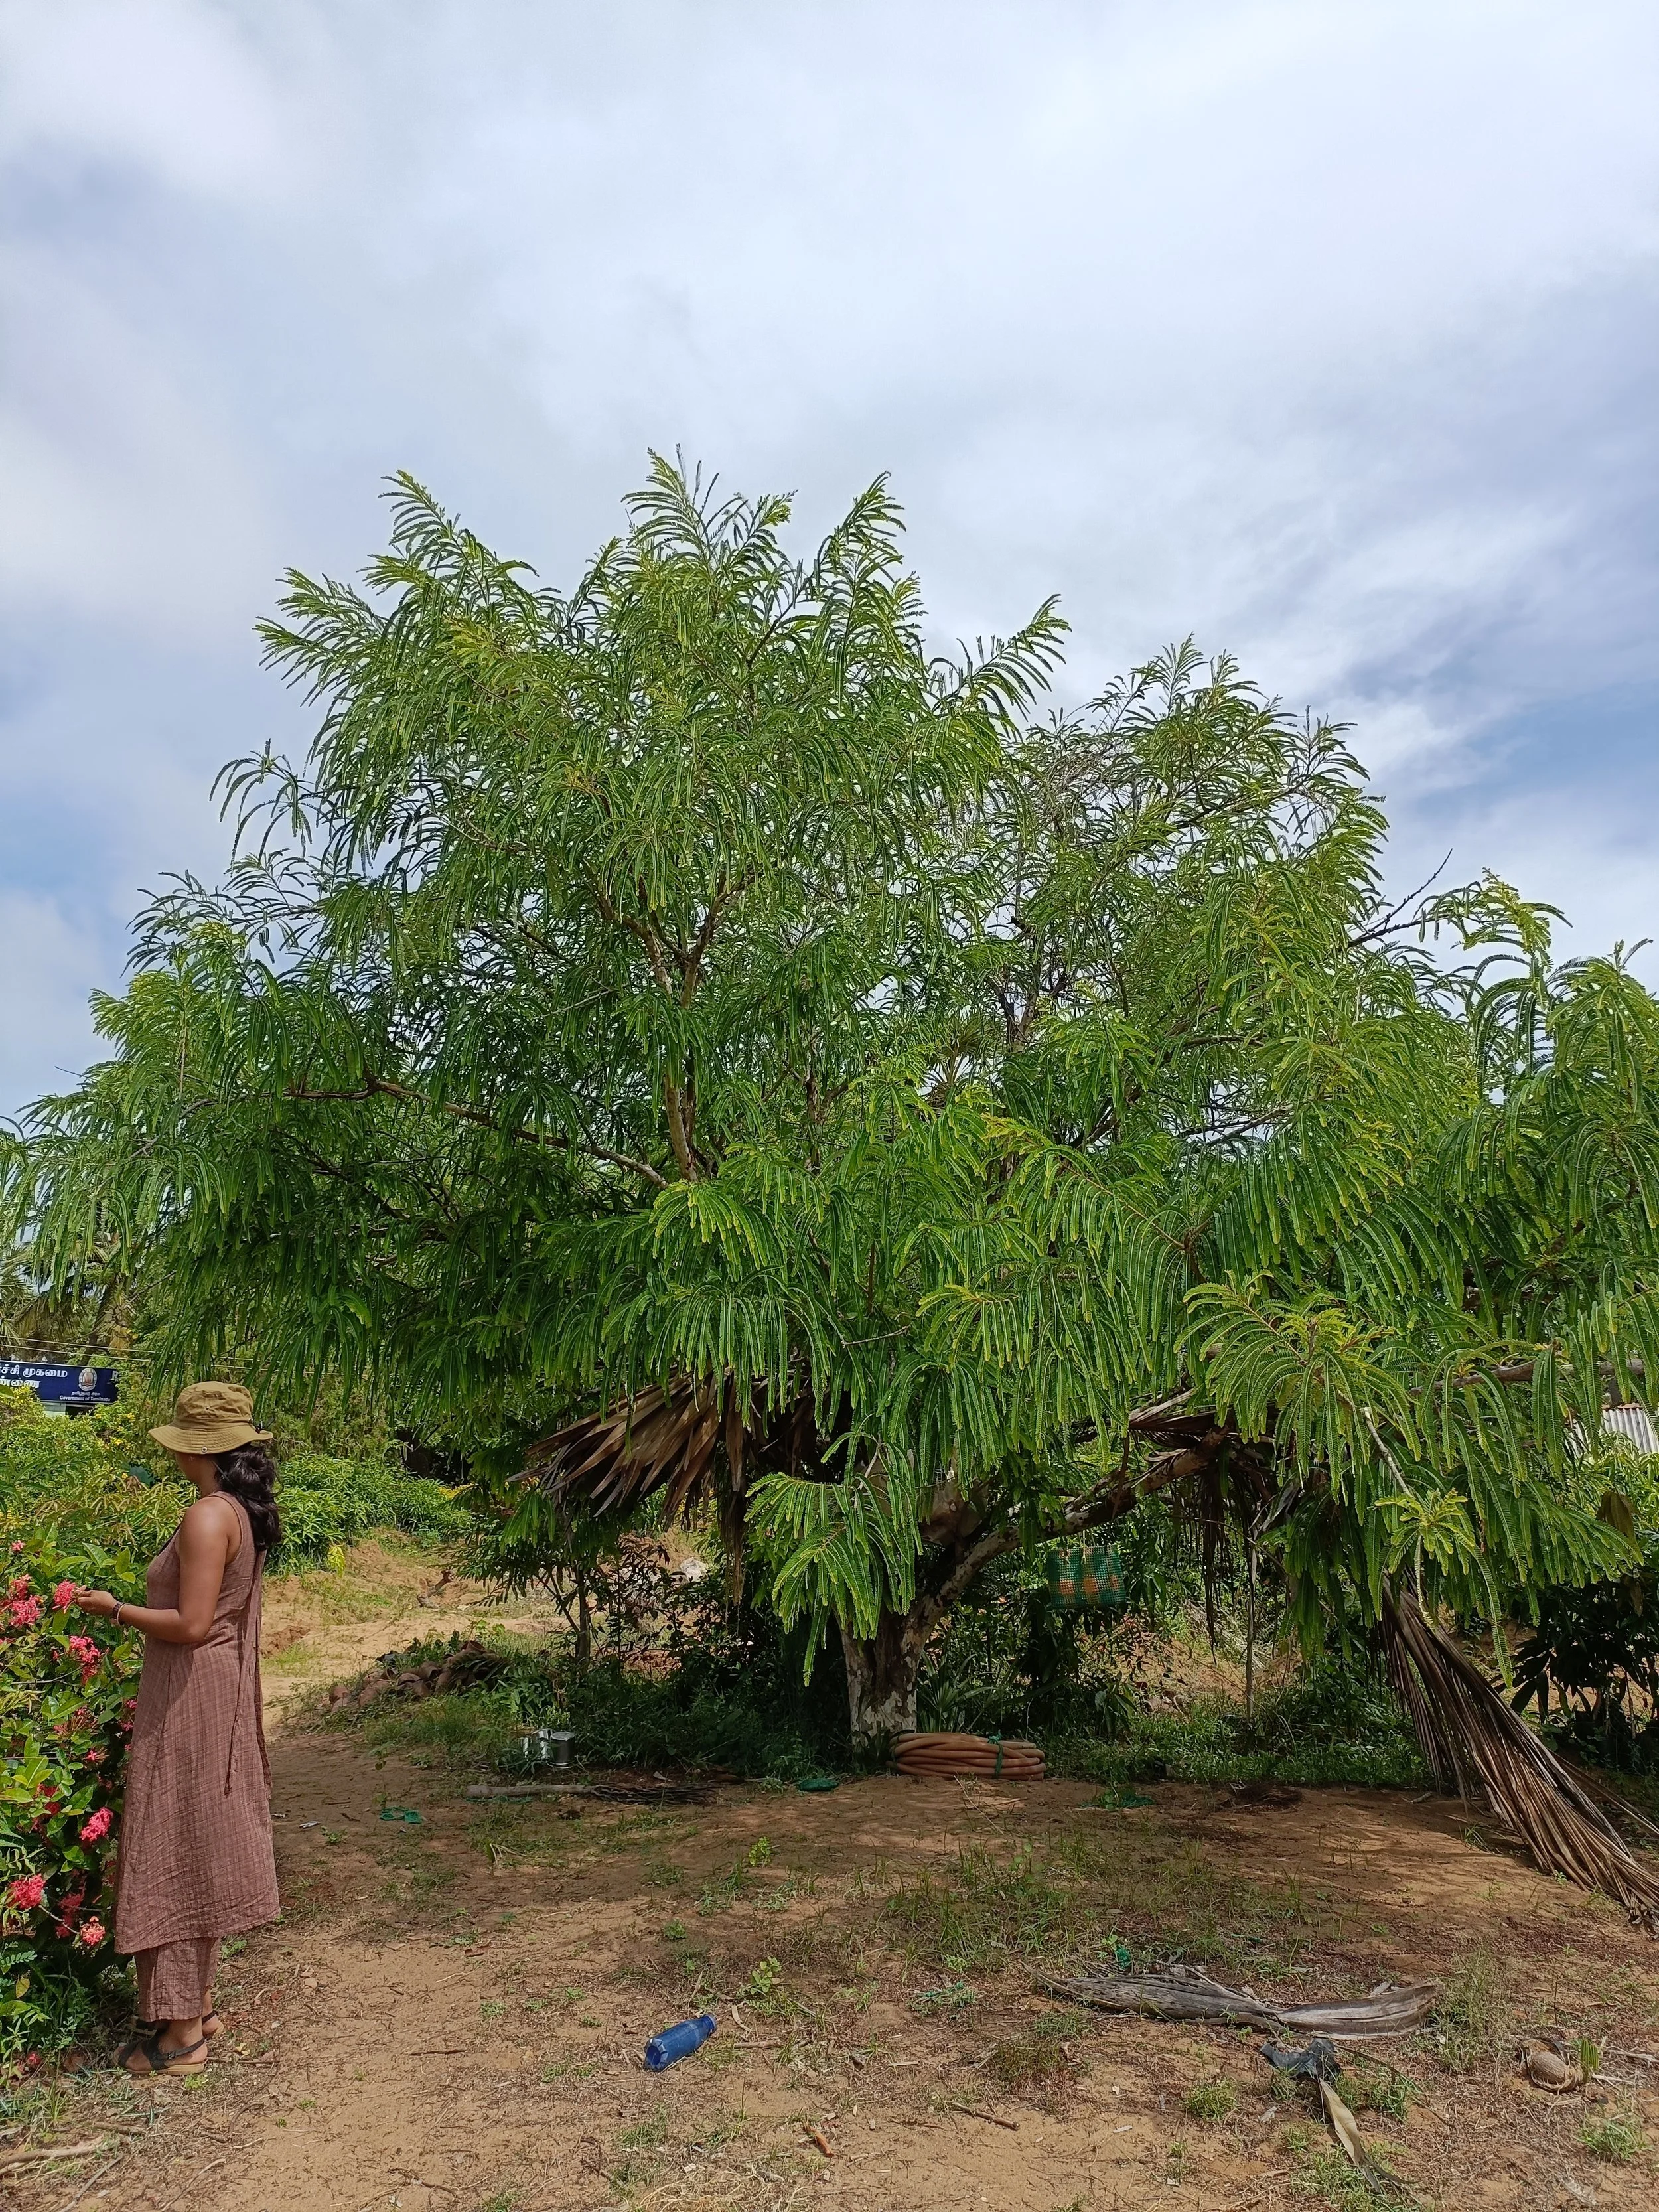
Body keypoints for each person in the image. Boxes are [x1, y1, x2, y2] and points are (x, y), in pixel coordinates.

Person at [72, 1382, 281, 2076]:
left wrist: (116, 1609)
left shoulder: (206, 1517)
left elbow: (191, 1627)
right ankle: (194, 2004)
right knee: (192, 1833)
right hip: (209, 1690)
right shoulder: (239, 1513)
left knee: (177, 1839)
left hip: (193, 1693)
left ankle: (181, 2034)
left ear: (196, 1448)